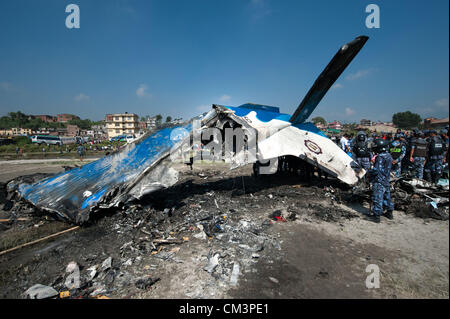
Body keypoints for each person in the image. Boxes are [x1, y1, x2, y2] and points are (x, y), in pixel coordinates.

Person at [368, 139, 394, 223]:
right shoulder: (389, 156)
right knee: (387, 196)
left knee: (377, 198)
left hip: (379, 180)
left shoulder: (380, 157)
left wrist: (368, 172)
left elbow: (376, 170)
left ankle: (376, 216)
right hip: (386, 179)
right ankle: (389, 212)